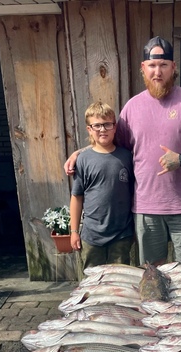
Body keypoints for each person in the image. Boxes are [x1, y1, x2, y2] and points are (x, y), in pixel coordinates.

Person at [65, 36, 181, 266]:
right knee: (151, 274)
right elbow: (112, 144)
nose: (158, 72)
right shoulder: (132, 108)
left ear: (173, 67)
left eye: (164, 65)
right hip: (146, 209)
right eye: (152, 66)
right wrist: (81, 151)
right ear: (143, 69)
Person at [69, 101, 134, 270]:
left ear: (115, 127)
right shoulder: (83, 159)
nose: (103, 129)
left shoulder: (126, 156)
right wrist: (74, 231)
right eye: (97, 125)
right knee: (92, 280)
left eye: (107, 124)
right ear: (89, 129)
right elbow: (77, 197)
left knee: (120, 281)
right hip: (92, 234)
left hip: (121, 233)